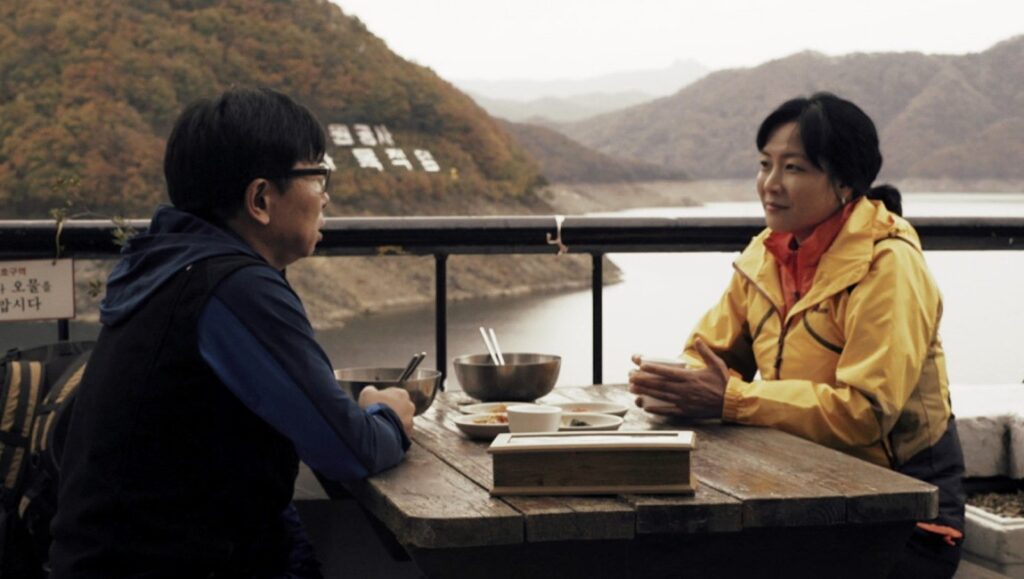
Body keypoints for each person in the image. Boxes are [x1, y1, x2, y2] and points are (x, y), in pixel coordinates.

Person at [49, 88, 416, 577]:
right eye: (318, 174)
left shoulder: (168, 264)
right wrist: (388, 414)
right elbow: (350, 449)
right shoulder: (232, 289)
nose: (326, 194)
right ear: (261, 198)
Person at [628, 92, 966, 578]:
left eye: (795, 168)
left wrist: (733, 401)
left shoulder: (887, 265)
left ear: (845, 180)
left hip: (901, 512)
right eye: (765, 165)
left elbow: (864, 412)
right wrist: (679, 386)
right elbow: (710, 356)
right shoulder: (767, 253)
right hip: (800, 488)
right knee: (643, 549)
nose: (770, 185)